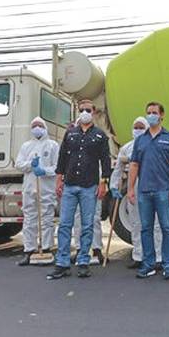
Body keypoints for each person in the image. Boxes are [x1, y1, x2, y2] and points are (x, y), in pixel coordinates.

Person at [47, 100, 111, 280]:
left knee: (87, 225)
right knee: (65, 224)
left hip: (89, 186)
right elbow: (62, 158)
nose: (84, 112)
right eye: (82, 109)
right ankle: (62, 263)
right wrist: (59, 179)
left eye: (88, 110)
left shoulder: (100, 136)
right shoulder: (70, 134)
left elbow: (105, 161)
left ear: (94, 112)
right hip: (70, 185)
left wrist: (103, 182)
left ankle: (83, 261)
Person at [127, 101, 169, 279]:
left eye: (154, 112)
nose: (151, 115)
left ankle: (167, 265)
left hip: (164, 191)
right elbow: (134, 165)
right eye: (148, 112)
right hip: (144, 191)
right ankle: (148, 264)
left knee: (167, 228)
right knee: (146, 229)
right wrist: (130, 188)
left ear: (162, 115)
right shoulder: (141, 140)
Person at [111, 116, 163, 269]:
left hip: (153, 184)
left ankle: (158, 257)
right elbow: (119, 167)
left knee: (155, 223)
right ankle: (138, 255)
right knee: (136, 222)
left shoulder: (155, 143)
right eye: (136, 127)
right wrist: (114, 186)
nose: (138, 130)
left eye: (141, 127)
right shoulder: (126, 147)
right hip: (133, 187)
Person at [15, 117, 60, 266]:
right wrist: (31, 165)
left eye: (40, 125)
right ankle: (29, 250)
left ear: (45, 127)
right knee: (29, 219)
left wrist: (44, 171)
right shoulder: (26, 146)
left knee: (46, 218)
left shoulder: (53, 145)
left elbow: (58, 167)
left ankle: (46, 249)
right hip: (29, 188)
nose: (37, 128)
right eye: (34, 126)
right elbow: (19, 164)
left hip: (46, 188)